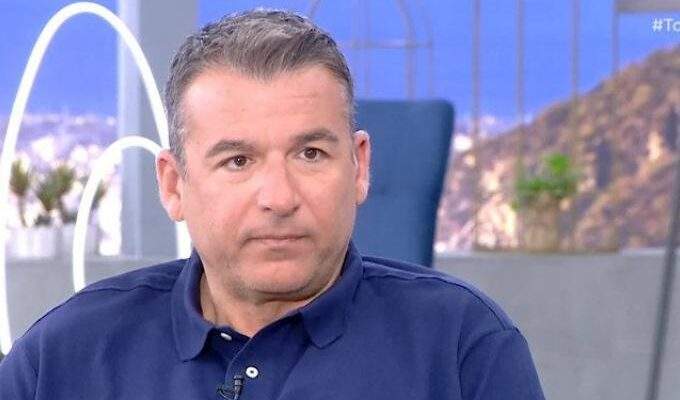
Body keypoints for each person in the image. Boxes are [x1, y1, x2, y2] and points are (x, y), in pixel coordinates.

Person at [0, 9, 545, 399]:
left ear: (359, 167)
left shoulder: (461, 348)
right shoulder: (65, 359)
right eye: (238, 161)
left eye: (310, 154)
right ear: (174, 184)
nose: (280, 198)